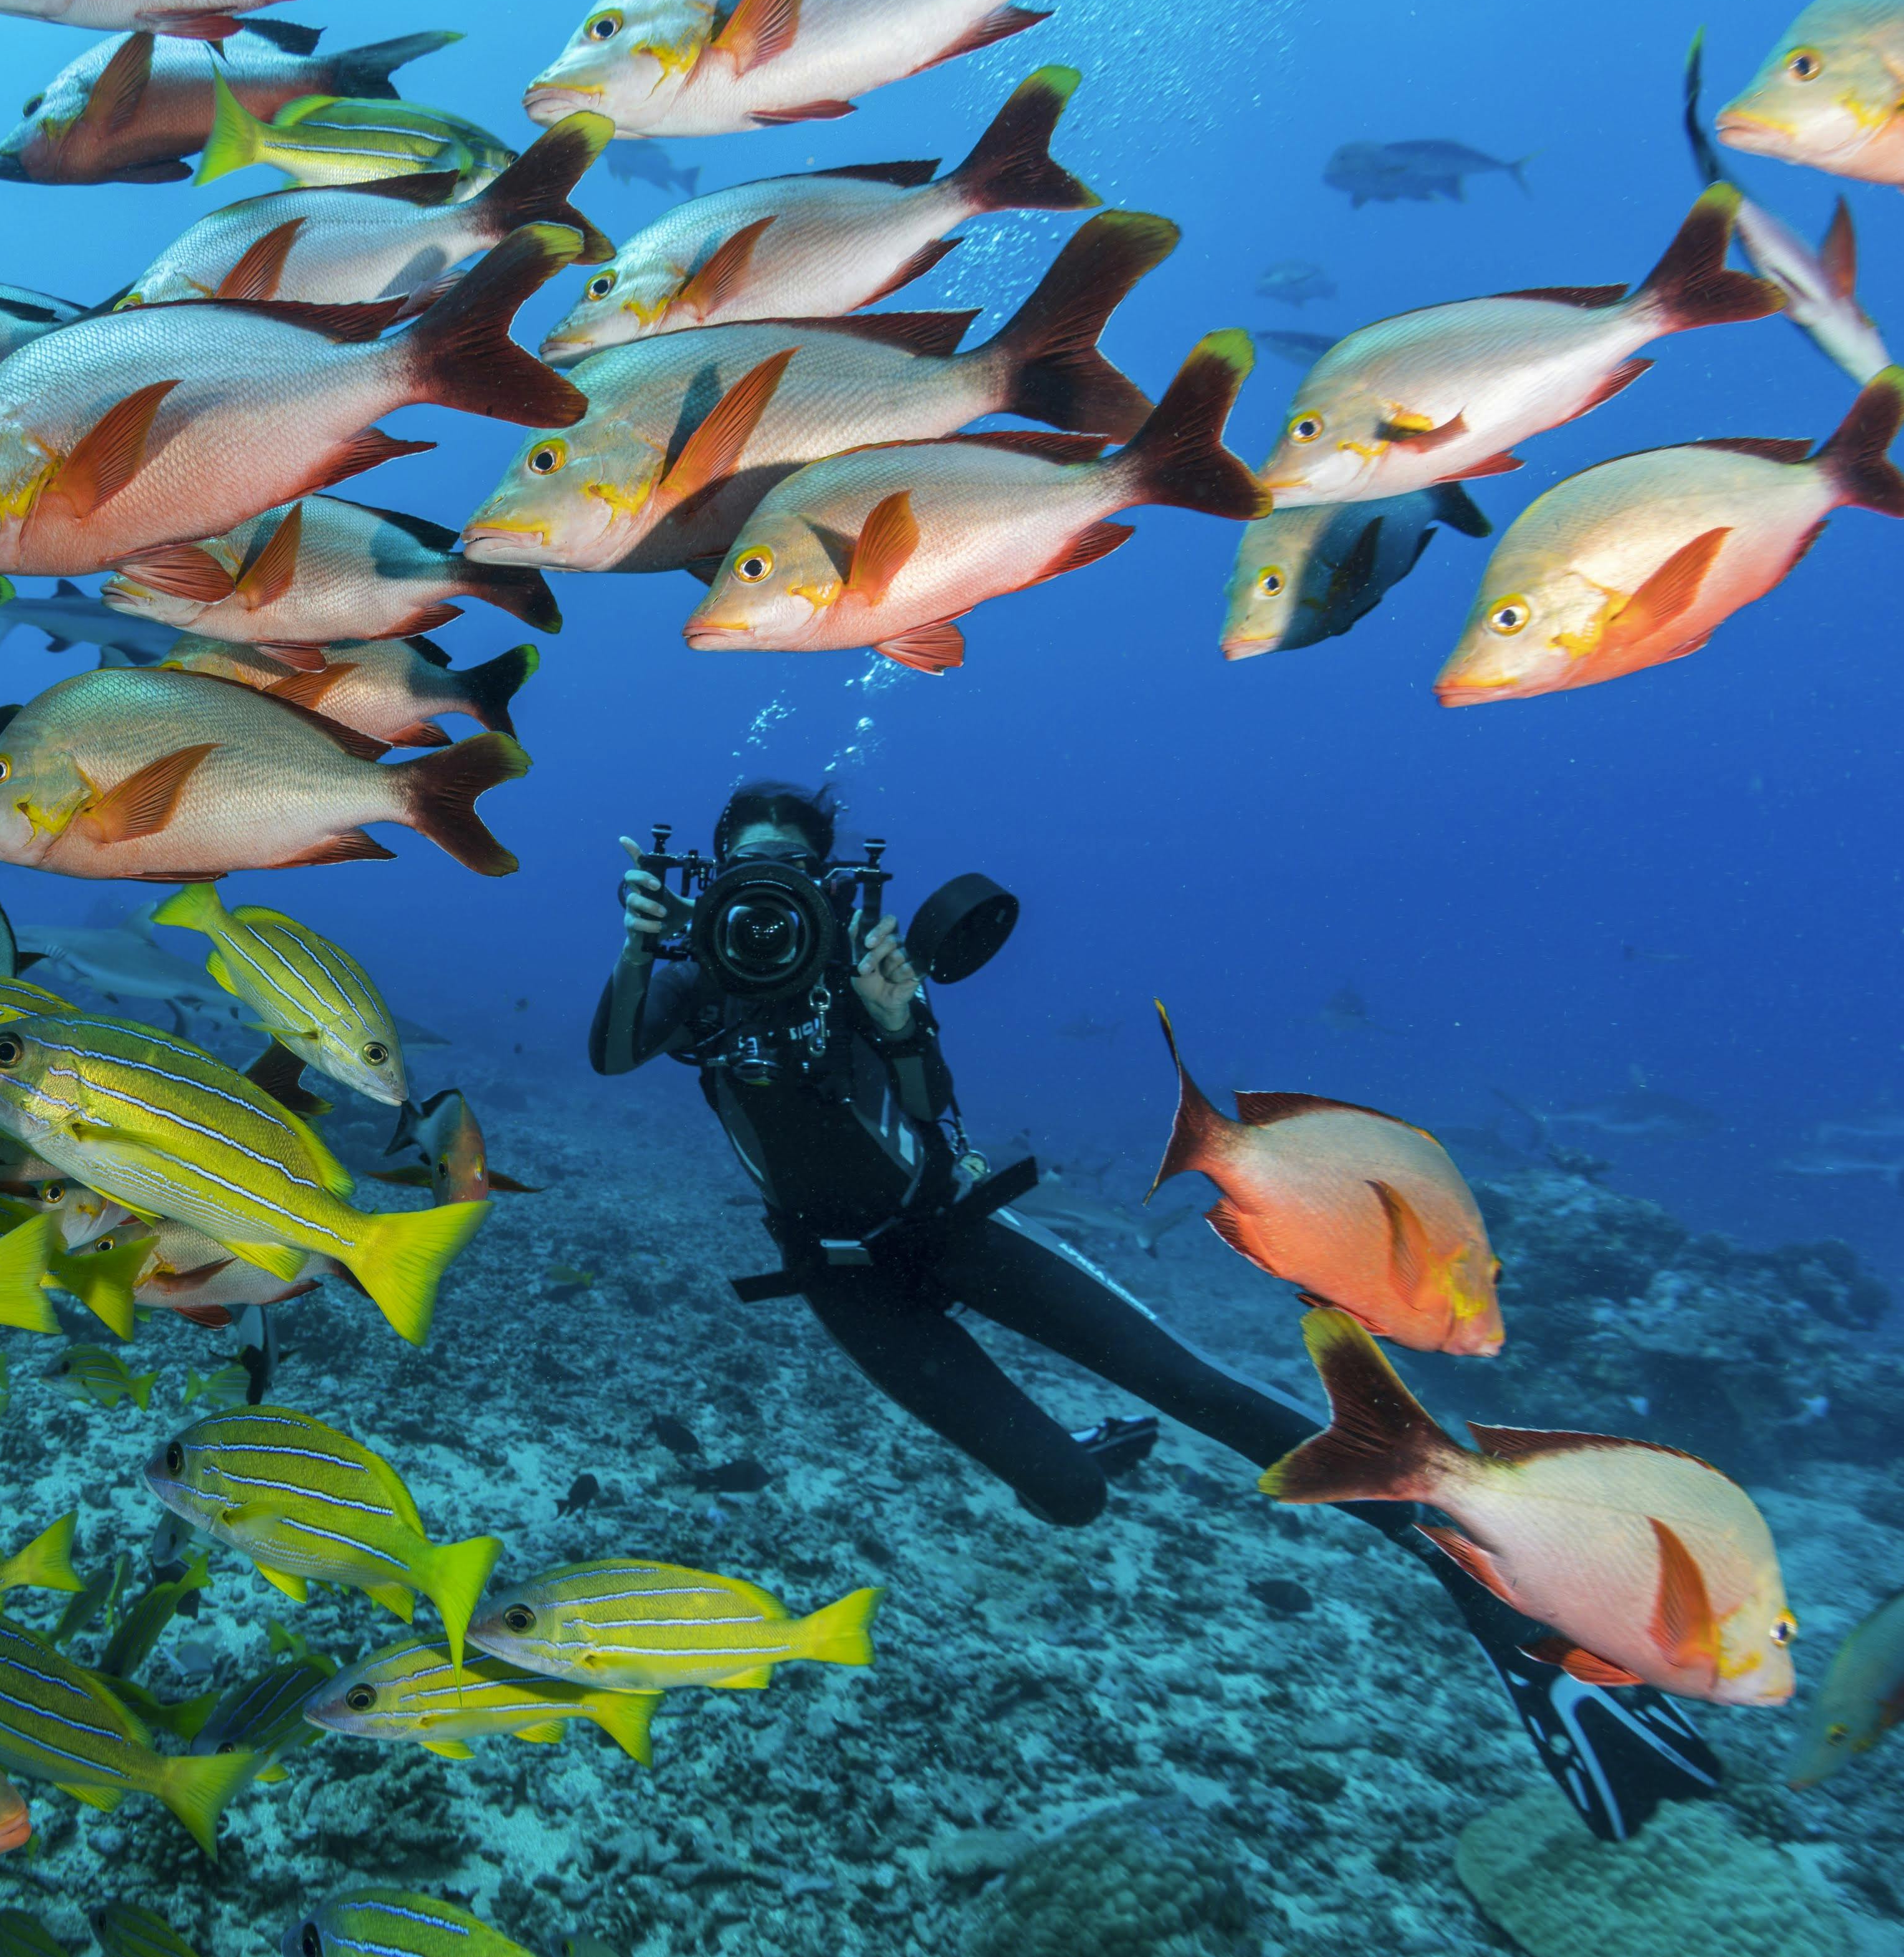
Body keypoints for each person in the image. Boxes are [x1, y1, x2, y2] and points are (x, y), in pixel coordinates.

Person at [591, 779, 1720, 1842]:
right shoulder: (690, 984)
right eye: (744, 876)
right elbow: (607, 1053)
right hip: (841, 1275)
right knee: (1066, 1495)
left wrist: (897, 1021)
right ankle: (1084, 1447)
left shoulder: (858, 966)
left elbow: (932, 1121)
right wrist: (643, 948)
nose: (764, 903)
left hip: (955, 1228)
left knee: (1203, 1390)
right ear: (710, 882)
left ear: (826, 883)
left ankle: (1508, 1598)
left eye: (787, 873)